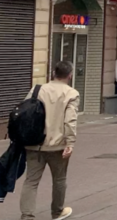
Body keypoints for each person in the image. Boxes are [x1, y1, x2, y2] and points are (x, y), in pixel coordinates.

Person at [19, 60, 78, 220]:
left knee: (31, 181)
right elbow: (70, 121)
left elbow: (24, 112)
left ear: (53, 73)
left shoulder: (37, 89)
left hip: (34, 143)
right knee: (59, 179)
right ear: (70, 75)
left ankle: (27, 215)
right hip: (57, 146)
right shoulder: (71, 93)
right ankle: (57, 211)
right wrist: (70, 143)